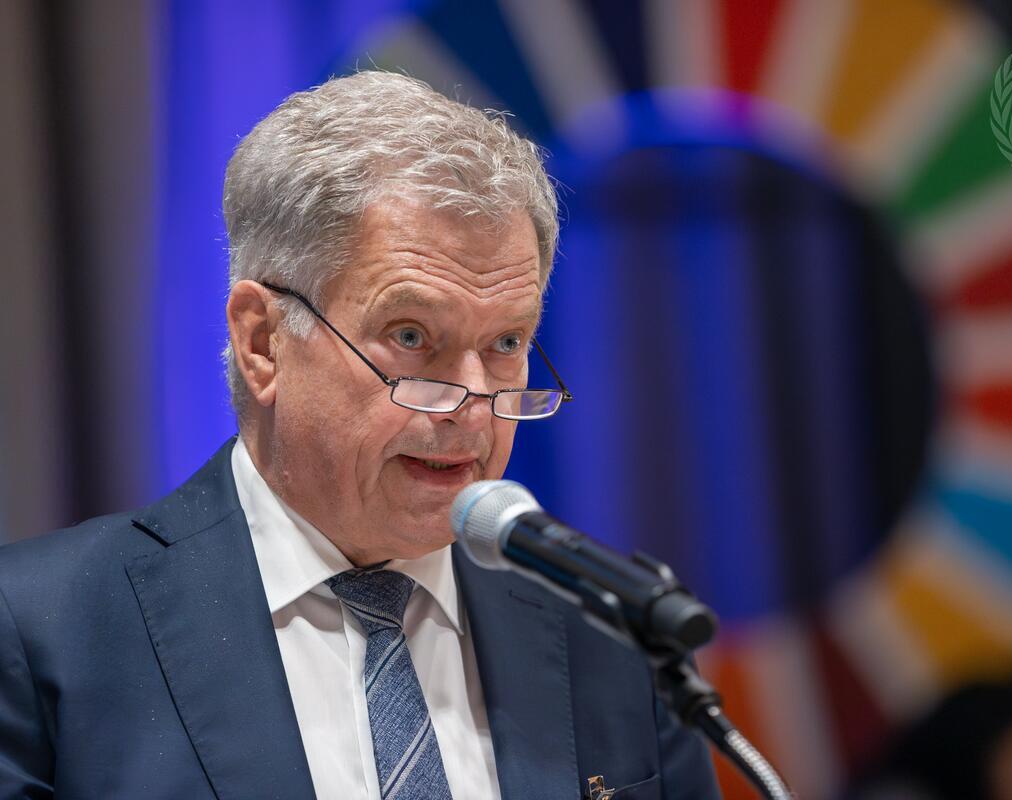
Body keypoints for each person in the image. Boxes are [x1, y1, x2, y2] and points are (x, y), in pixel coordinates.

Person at [0, 71, 720, 799]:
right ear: (262, 342)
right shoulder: (39, 633)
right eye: (411, 336)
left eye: (506, 342)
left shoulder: (615, 635)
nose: (474, 409)